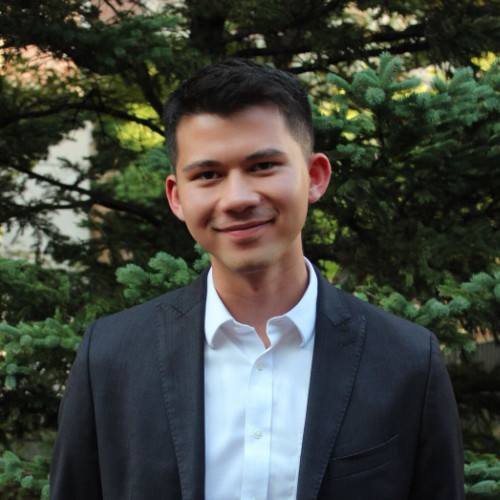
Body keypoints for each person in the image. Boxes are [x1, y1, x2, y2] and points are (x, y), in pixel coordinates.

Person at [50, 59, 465, 499]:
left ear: (315, 177)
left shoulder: (407, 361)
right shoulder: (110, 358)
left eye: (263, 166)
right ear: (177, 197)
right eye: (208, 175)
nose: (237, 199)